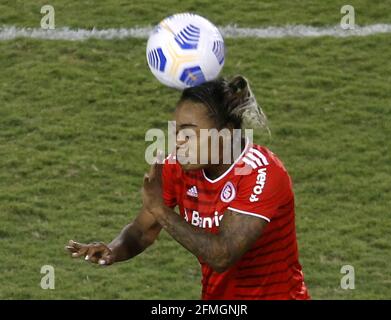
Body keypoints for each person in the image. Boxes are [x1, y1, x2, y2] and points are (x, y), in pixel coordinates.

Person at [66, 76, 310, 300]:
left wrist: (161, 210)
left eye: (188, 133)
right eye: (176, 131)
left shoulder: (261, 173)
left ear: (225, 135)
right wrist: (112, 251)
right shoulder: (177, 169)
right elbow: (142, 232)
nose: (178, 141)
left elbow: (222, 255)